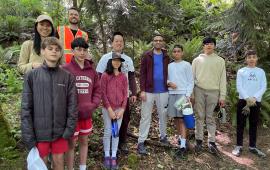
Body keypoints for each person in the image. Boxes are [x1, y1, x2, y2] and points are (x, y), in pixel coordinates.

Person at [21, 37, 78, 170]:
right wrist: (29, 136)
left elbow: (73, 106)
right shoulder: (31, 76)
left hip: (60, 132)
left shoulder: (67, 77)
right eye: (50, 48)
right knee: (41, 164)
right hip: (39, 133)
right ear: (42, 51)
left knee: (59, 163)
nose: (54, 51)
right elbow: (26, 108)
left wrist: (69, 130)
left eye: (57, 49)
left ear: (60, 53)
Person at [62, 37, 101, 170]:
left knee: (84, 141)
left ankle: (83, 167)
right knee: (71, 144)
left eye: (84, 50)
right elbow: (61, 92)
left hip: (86, 113)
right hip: (71, 116)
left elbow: (97, 89)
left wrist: (93, 104)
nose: (82, 53)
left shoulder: (92, 71)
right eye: (78, 49)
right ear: (72, 51)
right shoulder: (65, 69)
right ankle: (70, 168)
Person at [96, 31, 137, 154]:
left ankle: (121, 142)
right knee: (110, 121)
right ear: (112, 43)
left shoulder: (128, 59)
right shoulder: (105, 58)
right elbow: (98, 76)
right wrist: (98, 96)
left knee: (124, 119)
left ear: (123, 43)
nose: (119, 43)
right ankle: (109, 146)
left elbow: (131, 77)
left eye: (121, 41)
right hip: (108, 98)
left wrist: (134, 93)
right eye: (116, 41)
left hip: (123, 97)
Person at [192, 37, 226, 154]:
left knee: (210, 117)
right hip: (199, 90)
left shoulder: (220, 60)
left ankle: (211, 142)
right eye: (206, 44)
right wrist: (191, 93)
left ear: (214, 46)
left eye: (211, 44)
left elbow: (223, 79)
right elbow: (192, 78)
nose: (209, 46)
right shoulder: (197, 60)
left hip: (214, 92)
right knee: (199, 116)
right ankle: (199, 140)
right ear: (203, 46)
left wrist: (222, 96)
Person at [137, 32, 170, 155]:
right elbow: (142, 74)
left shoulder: (167, 56)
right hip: (149, 91)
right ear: (153, 42)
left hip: (164, 91)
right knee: (145, 116)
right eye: (155, 40)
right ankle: (141, 141)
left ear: (163, 42)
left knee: (163, 115)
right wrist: (142, 90)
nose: (158, 42)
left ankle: (163, 136)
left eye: (160, 40)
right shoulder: (147, 55)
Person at [232, 50, 267, 158]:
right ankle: (238, 146)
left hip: (256, 102)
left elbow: (263, 86)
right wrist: (247, 98)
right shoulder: (241, 71)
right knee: (241, 124)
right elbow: (239, 86)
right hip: (243, 101)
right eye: (249, 57)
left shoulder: (261, 71)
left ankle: (252, 146)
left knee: (253, 124)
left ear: (257, 58)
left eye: (254, 57)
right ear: (246, 59)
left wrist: (255, 98)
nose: (251, 59)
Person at [100, 52, 128, 169]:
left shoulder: (123, 76)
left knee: (115, 133)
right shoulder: (105, 75)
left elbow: (125, 93)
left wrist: (122, 109)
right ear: (110, 61)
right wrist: (110, 109)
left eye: (119, 60)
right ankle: (106, 155)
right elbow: (103, 93)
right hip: (108, 109)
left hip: (119, 110)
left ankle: (113, 156)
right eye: (114, 60)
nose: (116, 62)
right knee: (108, 132)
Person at [167, 44, 194, 157]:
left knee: (183, 120)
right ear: (172, 53)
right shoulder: (169, 66)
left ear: (182, 53)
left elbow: (191, 81)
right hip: (172, 94)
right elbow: (166, 79)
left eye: (179, 51)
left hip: (183, 95)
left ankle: (183, 146)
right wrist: (168, 83)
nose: (176, 53)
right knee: (177, 119)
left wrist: (188, 94)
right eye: (175, 51)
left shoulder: (187, 65)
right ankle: (181, 140)